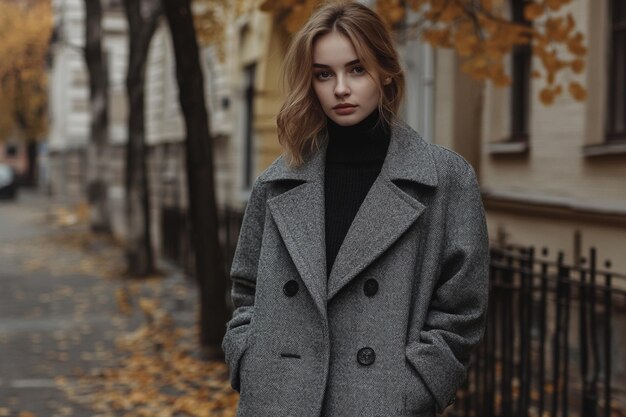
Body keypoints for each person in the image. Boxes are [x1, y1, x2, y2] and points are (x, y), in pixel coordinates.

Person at [222, 2, 489, 416]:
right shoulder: (277, 183)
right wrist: (248, 358)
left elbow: (462, 309)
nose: (340, 88)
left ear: (385, 71)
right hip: (278, 399)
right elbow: (245, 292)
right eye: (324, 74)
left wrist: (416, 387)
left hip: (380, 401)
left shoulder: (444, 180)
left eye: (357, 69)